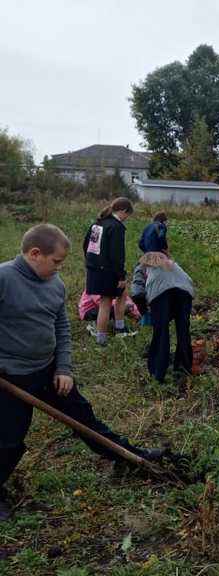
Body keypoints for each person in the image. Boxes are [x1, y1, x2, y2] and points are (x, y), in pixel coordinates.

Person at [0, 224, 163, 521]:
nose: (59, 268)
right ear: (35, 254)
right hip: (11, 378)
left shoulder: (54, 284)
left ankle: (126, 455)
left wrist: (63, 367)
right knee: (9, 440)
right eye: (56, 262)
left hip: (48, 372)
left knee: (84, 418)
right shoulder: (4, 278)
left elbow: (61, 328)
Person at [83, 197, 134, 345]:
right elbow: (117, 256)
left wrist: (91, 262)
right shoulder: (116, 227)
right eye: (127, 215)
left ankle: (120, 328)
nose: (126, 219)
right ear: (123, 211)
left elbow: (86, 244)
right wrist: (121, 276)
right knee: (105, 303)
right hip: (108, 270)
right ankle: (101, 340)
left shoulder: (98, 223)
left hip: (94, 268)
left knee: (123, 294)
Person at [138, 252, 195, 383]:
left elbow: (136, 292)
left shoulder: (144, 268)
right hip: (184, 294)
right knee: (183, 331)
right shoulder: (174, 265)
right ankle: (184, 367)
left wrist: (144, 311)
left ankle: (157, 372)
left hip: (161, 295)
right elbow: (189, 280)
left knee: (161, 333)